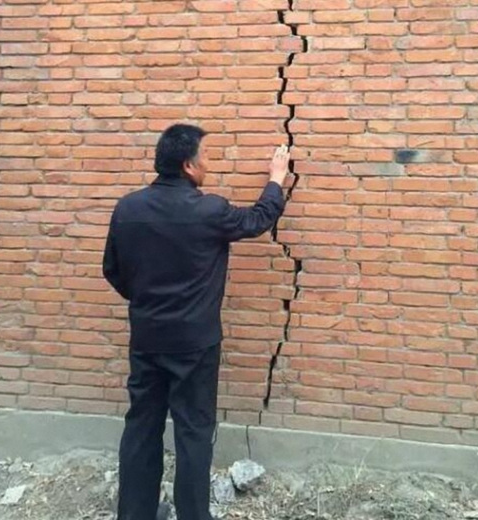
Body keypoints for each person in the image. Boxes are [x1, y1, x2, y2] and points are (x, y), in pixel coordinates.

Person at [102, 123, 291, 520]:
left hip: (147, 338)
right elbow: (257, 220)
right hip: (195, 343)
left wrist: (146, 304)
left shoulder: (128, 208)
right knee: (193, 432)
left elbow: (113, 271)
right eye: (205, 157)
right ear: (189, 165)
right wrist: (276, 179)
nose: (208, 165)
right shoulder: (209, 210)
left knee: (141, 428)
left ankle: (134, 514)